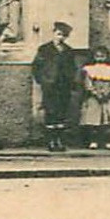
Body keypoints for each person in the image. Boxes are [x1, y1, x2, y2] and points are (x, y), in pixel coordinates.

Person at [31, 22, 78, 151]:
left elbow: (72, 68)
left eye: (64, 35)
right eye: (58, 34)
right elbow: (36, 66)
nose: (61, 37)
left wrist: (71, 81)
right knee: (50, 112)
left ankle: (60, 141)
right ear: (53, 33)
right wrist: (42, 80)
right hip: (50, 86)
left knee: (62, 113)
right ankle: (51, 141)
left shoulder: (68, 50)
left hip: (64, 86)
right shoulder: (44, 49)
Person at [78, 47, 110, 150]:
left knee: (109, 119)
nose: (100, 58)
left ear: (107, 57)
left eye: (102, 56)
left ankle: (109, 141)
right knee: (93, 120)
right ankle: (93, 141)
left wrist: (109, 90)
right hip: (94, 97)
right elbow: (87, 83)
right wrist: (94, 92)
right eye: (97, 56)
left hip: (108, 97)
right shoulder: (90, 69)